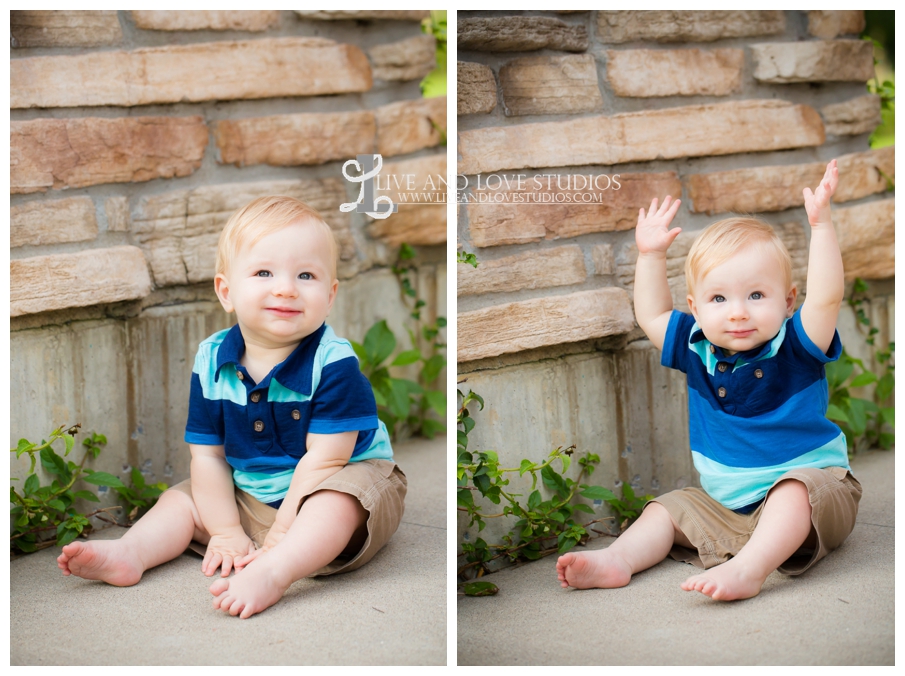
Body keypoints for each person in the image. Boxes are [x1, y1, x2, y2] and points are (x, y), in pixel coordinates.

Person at [58, 196, 407, 618]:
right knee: (182, 500)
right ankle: (131, 552)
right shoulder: (211, 360)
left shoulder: (333, 362)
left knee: (337, 502)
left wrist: (280, 535)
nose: (286, 287)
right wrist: (224, 532)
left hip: (338, 481)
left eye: (306, 275)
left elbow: (326, 461)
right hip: (255, 492)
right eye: (264, 272)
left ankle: (276, 571)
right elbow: (207, 455)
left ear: (329, 296)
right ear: (227, 291)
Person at [556, 160, 861, 601]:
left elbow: (828, 296)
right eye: (719, 298)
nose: (738, 311)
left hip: (817, 493)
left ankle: (749, 569)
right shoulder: (696, 347)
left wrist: (822, 226)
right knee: (669, 508)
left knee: (794, 491)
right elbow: (653, 315)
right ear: (696, 308)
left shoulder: (796, 344)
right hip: (729, 509)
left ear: (789, 300)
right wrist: (650, 255)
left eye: (757, 295)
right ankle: (618, 559)